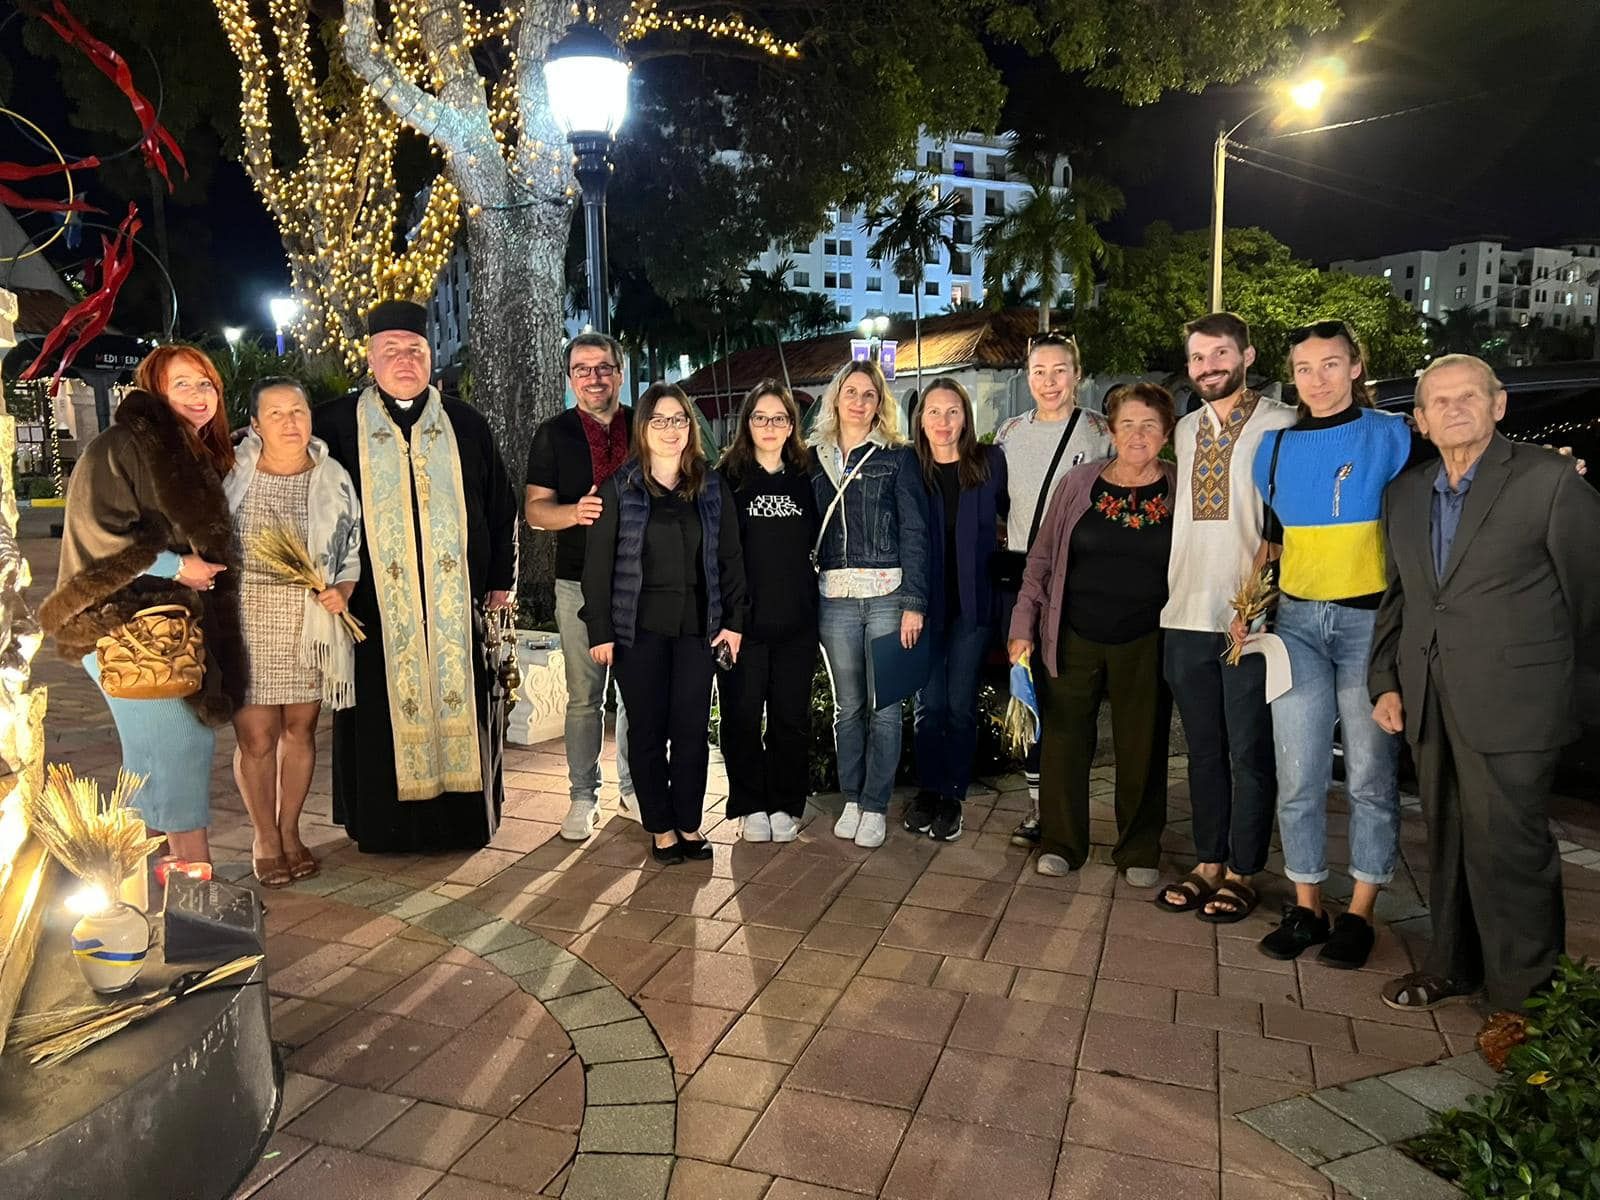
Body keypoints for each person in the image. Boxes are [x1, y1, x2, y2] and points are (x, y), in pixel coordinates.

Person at [1370, 355, 1600, 1012]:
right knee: (1444, 838)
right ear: (1420, 420)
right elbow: (1402, 597)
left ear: (1498, 405)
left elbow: (1590, 598)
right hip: (1429, 697)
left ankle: (1525, 1004)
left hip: (1515, 701)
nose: (1454, 409)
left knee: (1511, 848)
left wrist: (1564, 689)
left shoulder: (1549, 481)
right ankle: (1452, 965)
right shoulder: (1406, 493)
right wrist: (1385, 680)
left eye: (1469, 396)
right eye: (1438, 401)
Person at [313, 300, 519, 853]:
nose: (404, 360)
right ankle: (385, 828)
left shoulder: (466, 424)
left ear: (430, 356)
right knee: (378, 713)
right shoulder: (336, 424)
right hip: (374, 608)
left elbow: (501, 504)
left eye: (415, 350)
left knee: (464, 700)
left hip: (456, 603)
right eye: (391, 351)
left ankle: (464, 823)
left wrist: (501, 577)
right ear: (370, 357)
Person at [1246, 320, 1411, 970]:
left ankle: (1361, 912)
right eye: (1304, 368)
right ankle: (1307, 904)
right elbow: (1273, 540)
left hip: (1370, 627)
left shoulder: (1393, 436)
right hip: (1295, 627)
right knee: (1298, 774)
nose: (1317, 379)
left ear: (1355, 366)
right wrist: (1248, 607)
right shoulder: (1273, 449)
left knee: (1369, 775)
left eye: (1331, 364)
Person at [40, 346, 246, 866]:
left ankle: (137, 880)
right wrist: (176, 567)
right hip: (124, 624)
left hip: (162, 629)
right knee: (181, 748)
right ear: (156, 391)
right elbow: (100, 532)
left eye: (206, 383)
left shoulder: (188, 452)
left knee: (150, 759)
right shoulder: (121, 447)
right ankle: (195, 882)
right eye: (183, 384)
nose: (199, 395)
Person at [1156, 313, 1296, 922]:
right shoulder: (1185, 429)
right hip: (1185, 610)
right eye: (1197, 357)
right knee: (1204, 751)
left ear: (1246, 356)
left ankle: (1243, 870)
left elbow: (1284, 525)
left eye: (1219, 354)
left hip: (1248, 618)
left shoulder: (1282, 423)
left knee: (1249, 751)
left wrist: (1260, 602)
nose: (1208, 366)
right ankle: (1209, 861)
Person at [1008, 383, 1176, 884]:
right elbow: (1040, 560)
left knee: (1143, 746)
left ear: (1166, 434)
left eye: (1149, 425)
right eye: (1128, 424)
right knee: (1063, 741)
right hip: (1073, 633)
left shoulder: (1181, 488)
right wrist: (1023, 625)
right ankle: (1061, 841)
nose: (1138, 435)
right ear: (1111, 431)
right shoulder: (1078, 484)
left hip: (1147, 639)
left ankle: (1139, 849)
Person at [581, 384, 746, 863]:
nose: (671, 429)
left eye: (679, 419)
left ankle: (689, 823)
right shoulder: (620, 487)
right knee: (648, 731)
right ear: (644, 428)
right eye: (660, 420)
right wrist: (600, 631)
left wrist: (734, 622)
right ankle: (660, 827)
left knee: (691, 730)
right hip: (638, 633)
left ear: (690, 428)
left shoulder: (710, 486)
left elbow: (731, 558)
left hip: (698, 630)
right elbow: (598, 567)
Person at [224, 377, 362, 887]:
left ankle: (290, 831)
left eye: (298, 411)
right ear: (255, 425)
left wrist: (342, 591)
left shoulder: (332, 476)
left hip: (310, 624)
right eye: (276, 414)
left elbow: (351, 549)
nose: (290, 422)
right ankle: (264, 836)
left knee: (300, 731)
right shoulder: (231, 472)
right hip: (246, 621)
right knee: (257, 737)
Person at [994, 333, 1112, 848]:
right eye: (1039, 371)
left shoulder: (1101, 433)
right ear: (1027, 377)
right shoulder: (1009, 433)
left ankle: (1067, 808)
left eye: (1060, 370)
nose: (1049, 381)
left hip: (1080, 583)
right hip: (1024, 582)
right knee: (1028, 694)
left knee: (1071, 698)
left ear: (1077, 375)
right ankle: (1038, 808)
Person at [809, 359, 929, 850]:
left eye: (869, 394)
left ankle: (876, 805)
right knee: (848, 708)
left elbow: (915, 531)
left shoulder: (898, 457)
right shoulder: (813, 457)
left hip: (888, 596)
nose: (859, 402)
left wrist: (914, 602)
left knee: (886, 708)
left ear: (881, 403)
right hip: (834, 600)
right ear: (836, 398)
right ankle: (852, 799)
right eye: (851, 392)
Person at [525, 333, 639, 841]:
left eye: (604, 367)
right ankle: (582, 797)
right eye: (583, 369)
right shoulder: (553, 434)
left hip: (640, 584)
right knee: (584, 698)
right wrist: (576, 512)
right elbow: (535, 511)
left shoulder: (644, 424)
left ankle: (633, 789)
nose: (595, 377)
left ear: (620, 373)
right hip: (576, 583)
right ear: (570, 378)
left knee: (637, 696)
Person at [906, 377, 1008, 842]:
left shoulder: (989, 463)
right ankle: (928, 789)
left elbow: (1014, 514)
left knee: (960, 706)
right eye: (933, 411)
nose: (943, 421)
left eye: (952, 411)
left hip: (973, 603)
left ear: (965, 416)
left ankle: (953, 796)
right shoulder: (911, 467)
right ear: (920, 419)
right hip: (924, 605)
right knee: (928, 705)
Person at [717, 380, 820, 842]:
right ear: (747, 423)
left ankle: (786, 802)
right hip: (743, 627)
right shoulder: (728, 477)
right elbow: (720, 556)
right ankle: (749, 803)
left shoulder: (806, 475)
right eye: (760, 417)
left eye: (779, 417)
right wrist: (729, 620)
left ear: (792, 425)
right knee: (741, 716)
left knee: (790, 719)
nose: (770, 426)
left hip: (797, 621)